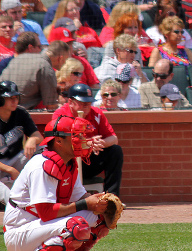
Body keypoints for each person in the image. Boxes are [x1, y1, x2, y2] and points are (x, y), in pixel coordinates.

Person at [3, 115, 110, 251]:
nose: (83, 140)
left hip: (41, 224)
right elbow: (46, 212)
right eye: (76, 136)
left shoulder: (69, 163)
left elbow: (80, 197)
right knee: (74, 226)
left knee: (101, 216)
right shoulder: (41, 165)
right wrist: (86, 203)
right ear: (59, 140)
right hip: (20, 231)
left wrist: (101, 202)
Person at [53, 83, 123, 196]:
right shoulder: (60, 114)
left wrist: (101, 143)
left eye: (89, 102)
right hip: (68, 163)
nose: (86, 105)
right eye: (82, 102)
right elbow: (60, 143)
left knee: (115, 150)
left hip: (88, 162)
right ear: (70, 102)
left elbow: (114, 138)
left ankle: (111, 197)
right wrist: (88, 143)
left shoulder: (96, 113)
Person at [0, 81, 43, 206]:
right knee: (11, 199)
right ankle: (16, 205)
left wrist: (32, 140)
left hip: (15, 160)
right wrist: (10, 169)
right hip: (3, 166)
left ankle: (42, 194)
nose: (14, 101)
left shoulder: (20, 113)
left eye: (16, 97)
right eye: (10, 98)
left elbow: (37, 136)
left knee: (43, 150)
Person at [0, 40, 69, 110]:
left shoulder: (20, 58)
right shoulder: (45, 67)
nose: (65, 63)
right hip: (18, 112)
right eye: (65, 60)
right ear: (60, 58)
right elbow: (51, 106)